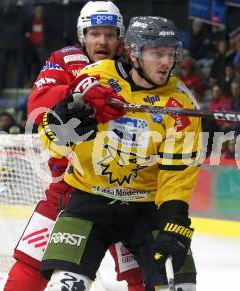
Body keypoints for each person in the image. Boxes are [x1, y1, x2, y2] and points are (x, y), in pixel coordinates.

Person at [40, 16, 200, 291]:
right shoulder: (96, 76)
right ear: (135, 53)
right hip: (90, 197)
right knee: (64, 286)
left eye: (171, 54)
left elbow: (177, 174)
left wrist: (175, 218)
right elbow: (53, 142)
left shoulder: (181, 103)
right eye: (157, 54)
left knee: (181, 286)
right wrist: (66, 126)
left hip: (147, 207)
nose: (166, 62)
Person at [5, 2, 144, 291]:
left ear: (121, 37)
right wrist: (77, 89)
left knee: (144, 274)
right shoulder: (65, 60)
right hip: (69, 187)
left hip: (126, 186)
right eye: (95, 33)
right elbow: (38, 104)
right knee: (32, 262)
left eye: (110, 34)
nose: (102, 41)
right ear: (83, 35)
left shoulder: (136, 68)